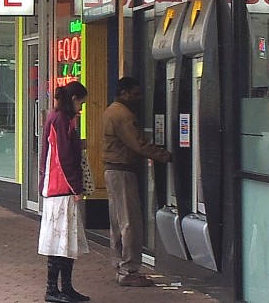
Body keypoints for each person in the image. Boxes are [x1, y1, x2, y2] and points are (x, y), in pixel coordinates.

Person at [102, 77, 171, 287]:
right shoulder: (123, 115)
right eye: (135, 93)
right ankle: (129, 270)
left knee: (117, 221)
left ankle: (120, 266)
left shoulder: (110, 111)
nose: (139, 98)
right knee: (130, 221)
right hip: (123, 172)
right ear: (124, 93)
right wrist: (167, 155)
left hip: (112, 171)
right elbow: (139, 144)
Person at [37, 81, 90, 303]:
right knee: (61, 240)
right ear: (74, 98)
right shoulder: (61, 120)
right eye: (81, 103)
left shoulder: (59, 118)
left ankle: (63, 287)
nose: (82, 108)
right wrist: (76, 187)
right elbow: (64, 157)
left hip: (57, 187)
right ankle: (55, 288)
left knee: (63, 240)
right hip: (61, 188)